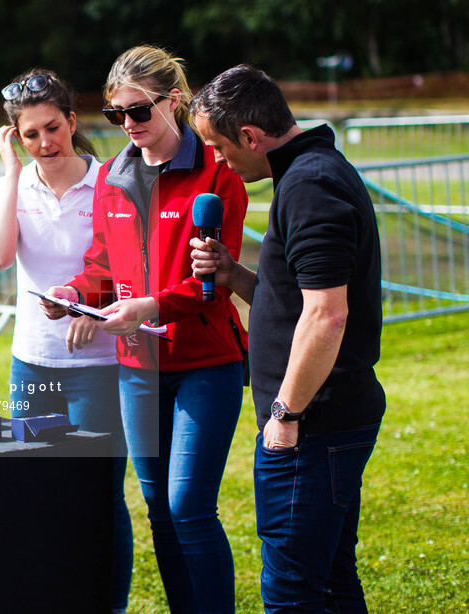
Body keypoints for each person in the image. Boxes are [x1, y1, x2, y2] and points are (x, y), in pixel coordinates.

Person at [40, 46, 249, 613]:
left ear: (174, 100)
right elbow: (103, 266)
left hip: (205, 363)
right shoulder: (112, 175)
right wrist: (74, 296)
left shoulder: (216, 169)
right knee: (157, 507)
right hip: (137, 368)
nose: (127, 125)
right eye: (115, 115)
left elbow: (216, 285)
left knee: (188, 506)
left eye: (137, 111)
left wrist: (150, 305)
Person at [188, 64, 386, 612]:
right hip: (324, 421)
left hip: (313, 425)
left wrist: (286, 415)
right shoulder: (309, 171)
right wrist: (235, 276)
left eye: (218, 145)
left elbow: (326, 317)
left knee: (294, 592)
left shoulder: (309, 184)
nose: (217, 159)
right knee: (330, 581)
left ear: (250, 136)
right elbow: (301, 302)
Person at [0, 68, 133, 613]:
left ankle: (107, 604)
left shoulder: (113, 181)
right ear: (15, 138)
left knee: (99, 497)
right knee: (37, 493)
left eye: (53, 127)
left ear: (72, 121)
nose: (45, 142)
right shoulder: (12, 187)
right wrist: (11, 173)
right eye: (30, 134)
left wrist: (92, 306)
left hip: (100, 365)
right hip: (33, 364)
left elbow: (127, 263)